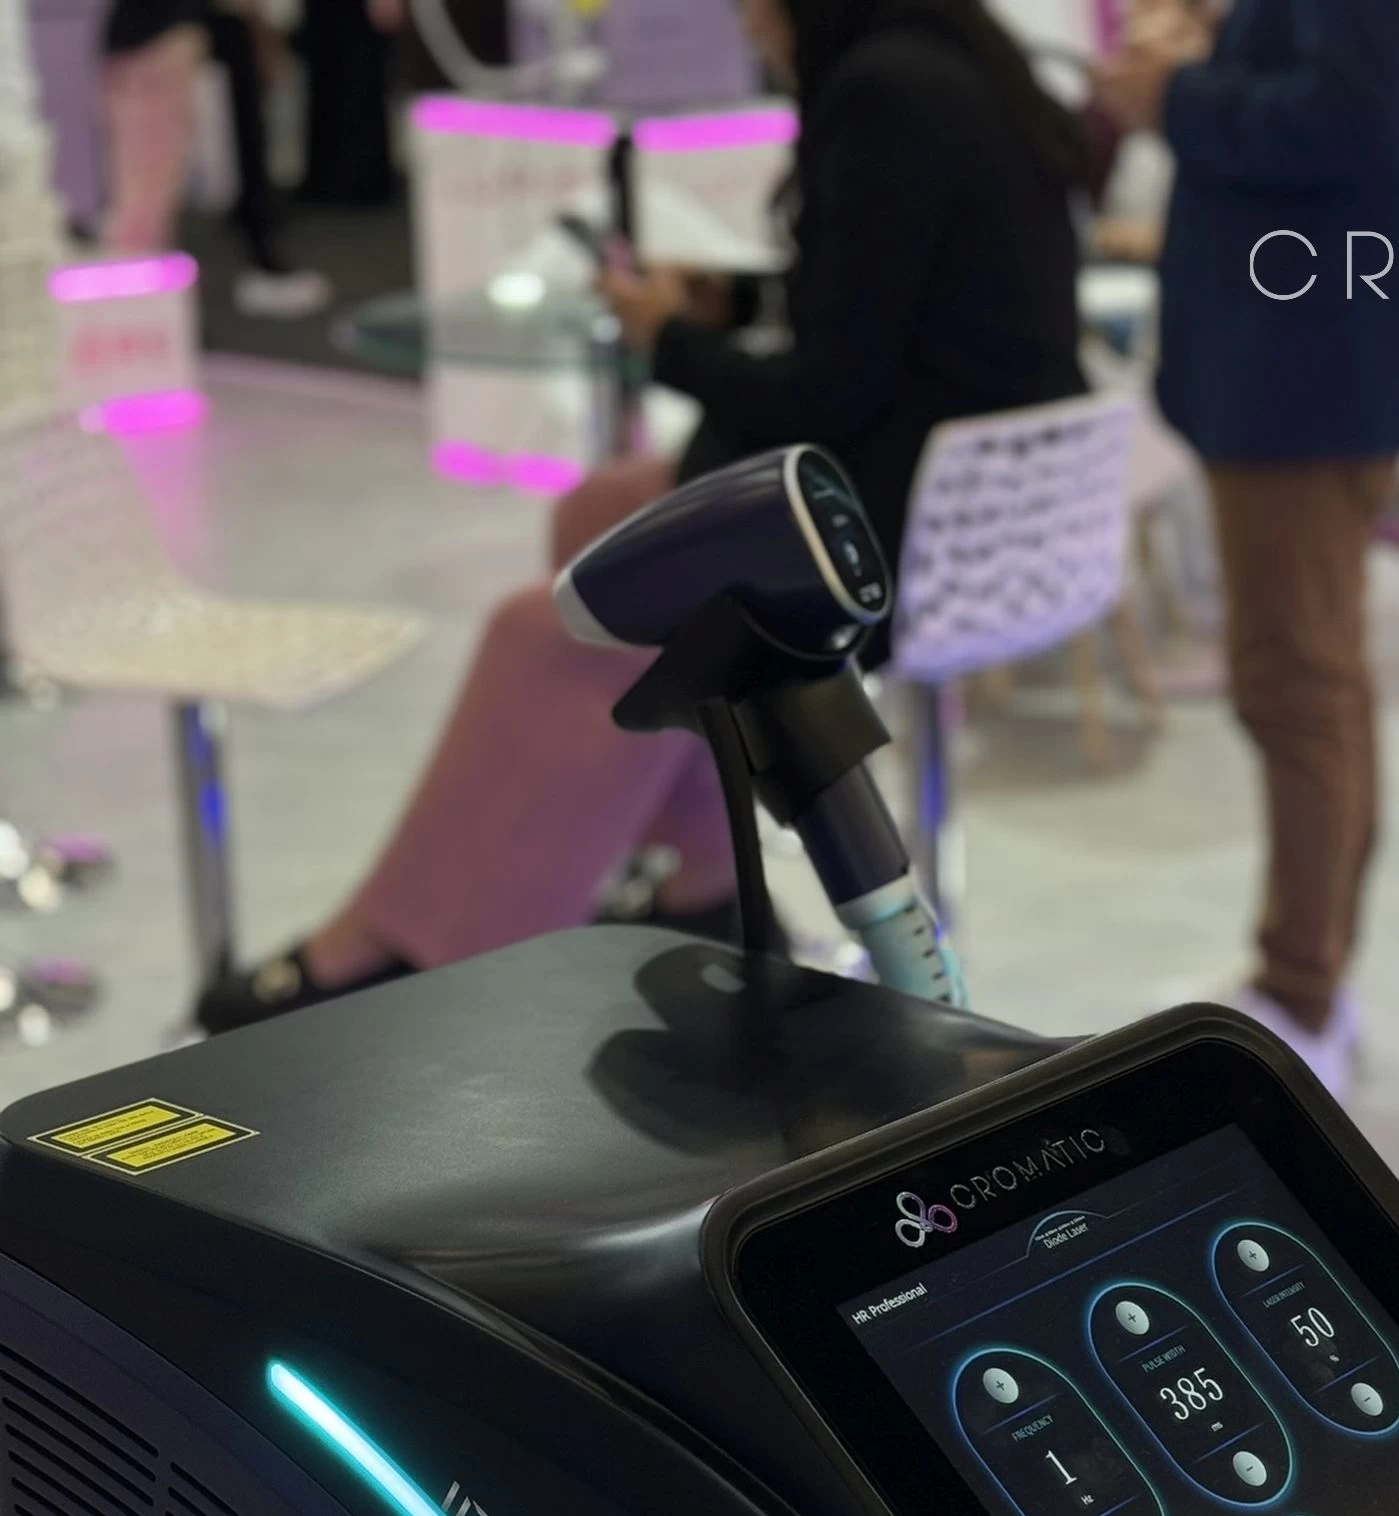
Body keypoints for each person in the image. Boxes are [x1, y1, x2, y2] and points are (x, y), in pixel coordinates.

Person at [199, 0, 1088, 1031]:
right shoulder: (951, 66)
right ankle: (706, 884)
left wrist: (667, 340)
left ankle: (397, 950)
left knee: (546, 629)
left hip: (898, 536)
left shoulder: (883, 93)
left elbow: (825, 391)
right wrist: (734, 309)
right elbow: (893, 306)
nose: (747, 21)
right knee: (600, 510)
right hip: (971, 494)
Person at [1096, 0, 1399, 1096]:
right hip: (1326, 340)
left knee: (1296, 680)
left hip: (1307, 355)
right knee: (1319, 672)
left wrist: (1175, 94)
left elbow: (1353, 115)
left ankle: (1302, 989)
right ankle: (1308, 973)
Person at [99, 0, 332, 317]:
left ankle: (137, 313)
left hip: (149, 36)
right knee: (146, 195)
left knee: (142, 188)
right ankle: (133, 316)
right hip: (161, 37)